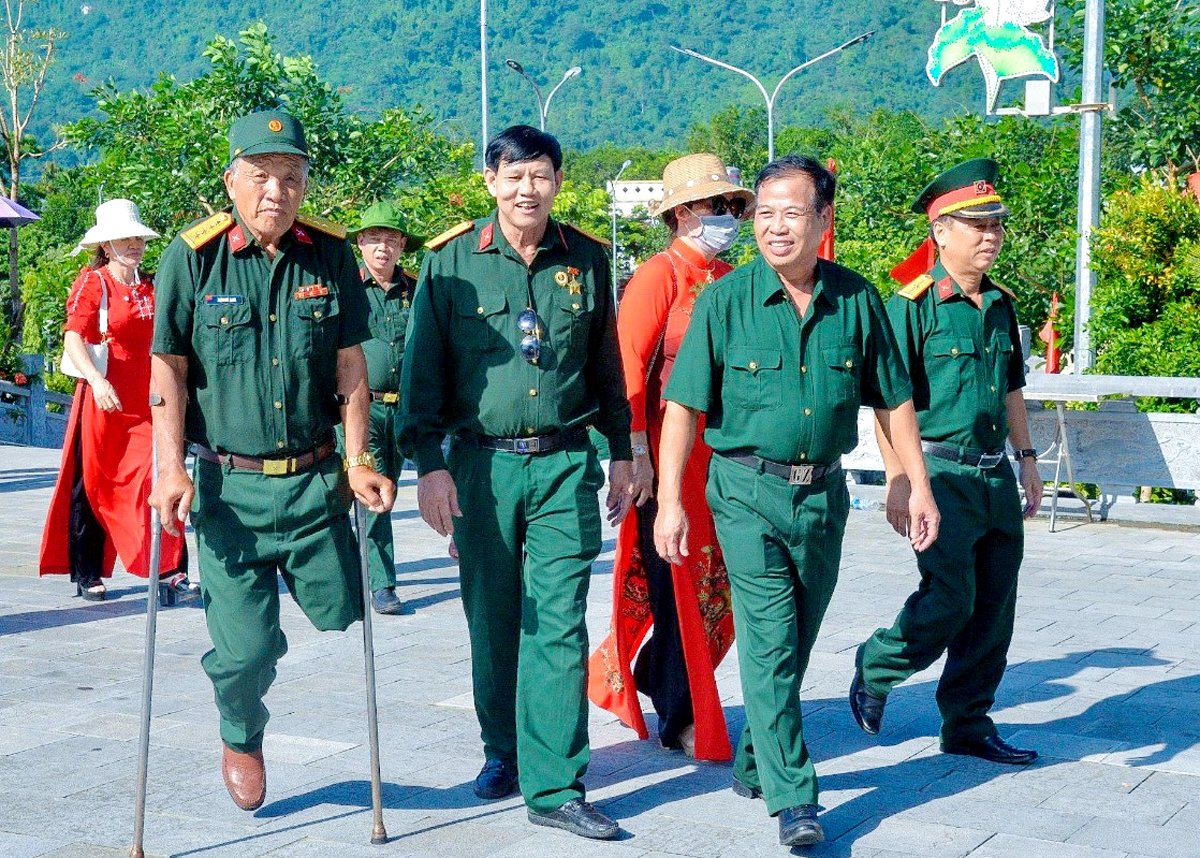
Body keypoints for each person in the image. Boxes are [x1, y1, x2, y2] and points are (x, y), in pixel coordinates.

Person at [654, 155, 940, 847]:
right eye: (766, 215)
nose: (775, 228)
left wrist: (913, 480)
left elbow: (893, 398)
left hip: (823, 497)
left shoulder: (857, 298)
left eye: (792, 213)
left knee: (797, 636)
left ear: (822, 219)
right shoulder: (725, 302)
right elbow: (682, 409)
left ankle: (757, 758)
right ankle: (794, 797)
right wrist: (670, 500)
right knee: (771, 637)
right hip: (745, 490)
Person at [148, 110, 394, 812]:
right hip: (230, 491)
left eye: (291, 178)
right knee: (248, 651)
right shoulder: (192, 259)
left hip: (316, 484)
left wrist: (358, 459)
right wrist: (171, 469)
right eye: (261, 176)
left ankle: (263, 644)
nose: (276, 192)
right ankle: (240, 728)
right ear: (232, 180)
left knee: (347, 610)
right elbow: (166, 367)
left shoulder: (330, 257)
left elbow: (350, 367)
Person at [401, 125, 634, 840]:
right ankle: (502, 749)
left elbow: (606, 368)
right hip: (481, 466)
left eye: (541, 175)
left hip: (565, 463)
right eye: (514, 176)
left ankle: (556, 784)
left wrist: (624, 451)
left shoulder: (588, 259)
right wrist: (430, 466)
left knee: (559, 620)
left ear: (559, 181)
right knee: (494, 618)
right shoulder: (450, 266)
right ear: (491, 181)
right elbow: (422, 376)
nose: (528, 189)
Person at [850, 158, 1043, 766]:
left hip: (993, 476)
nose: (990, 237)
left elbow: (1011, 387)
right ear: (940, 232)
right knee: (950, 597)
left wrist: (1028, 458)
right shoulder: (910, 306)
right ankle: (878, 663)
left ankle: (967, 721)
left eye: (997, 226)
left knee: (993, 607)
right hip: (939, 474)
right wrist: (901, 481)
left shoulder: (1001, 305)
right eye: (976, 225)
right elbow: (888, 399)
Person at [588, 153, 748, 762]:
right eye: (717, 207)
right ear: (681, 214)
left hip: (723, 465)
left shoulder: (733, 279)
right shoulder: (658, 276)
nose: (729, 217)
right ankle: (680, 716)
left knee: (713, 590)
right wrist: (635, 458)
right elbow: (627, 372)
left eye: (735, 207)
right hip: (665, 461)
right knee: (677, 584)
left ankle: (656, 672)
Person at [39, 199, 191, 604]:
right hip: (104, 401)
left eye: (138, 237)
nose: (134, 244)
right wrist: (97, 380)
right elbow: (73, 338)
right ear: (106, 245)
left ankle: (171, 570)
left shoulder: (152, 286)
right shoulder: (94, 283)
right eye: (125, 238)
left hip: (148, 404)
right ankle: (87, 573)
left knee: (157, 477)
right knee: (93, 483)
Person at [341, 200, 425, 615]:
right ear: (360, 243)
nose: (382, 249)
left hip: (407, 408)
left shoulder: (417, 290)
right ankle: (382, 583)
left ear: (402, 246)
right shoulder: (349, 290)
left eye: (390, 240)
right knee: (374, 494)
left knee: (407, 483)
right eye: (373, 239)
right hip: (363, 407)